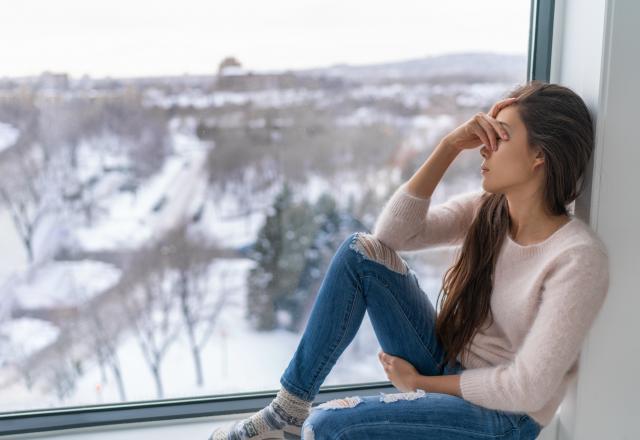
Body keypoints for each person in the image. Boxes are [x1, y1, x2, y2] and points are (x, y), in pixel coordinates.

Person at [208, 80, 610, 440]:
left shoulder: (576, 258)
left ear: (539, 154)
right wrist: (448, 145)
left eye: (500, 137)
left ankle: (301, 424)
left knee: (329, 427)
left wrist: (422, 384)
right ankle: (285, 413)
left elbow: (529, 389)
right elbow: (390, 239)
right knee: (358, 252)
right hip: (450, 364)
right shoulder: (486, 211)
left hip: (504, 416)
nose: (485, 147)